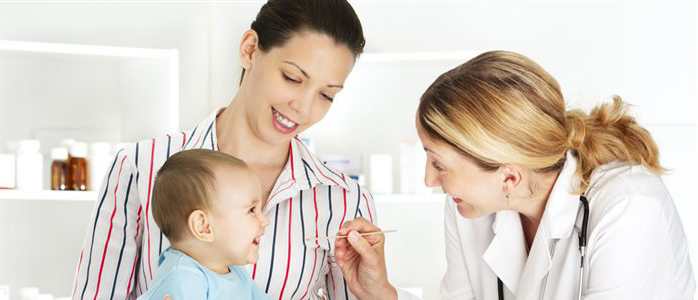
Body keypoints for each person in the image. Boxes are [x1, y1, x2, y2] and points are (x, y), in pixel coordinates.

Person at [71, 1, 376, 299]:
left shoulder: (343, 199)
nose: (304, 108)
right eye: (292, 78)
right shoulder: (141, 166)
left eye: (326, 95)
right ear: (250, 49)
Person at [334, 50, 696, 299]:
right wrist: (379, 292)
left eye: (439, 164)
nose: (430, 181)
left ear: (509, 177)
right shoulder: (469, 209)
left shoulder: (629, 207)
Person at [137, 149, 270, 300]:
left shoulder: (234, 271)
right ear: (203, 226)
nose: (265, 220)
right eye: (252, 210)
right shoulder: (184, 279)